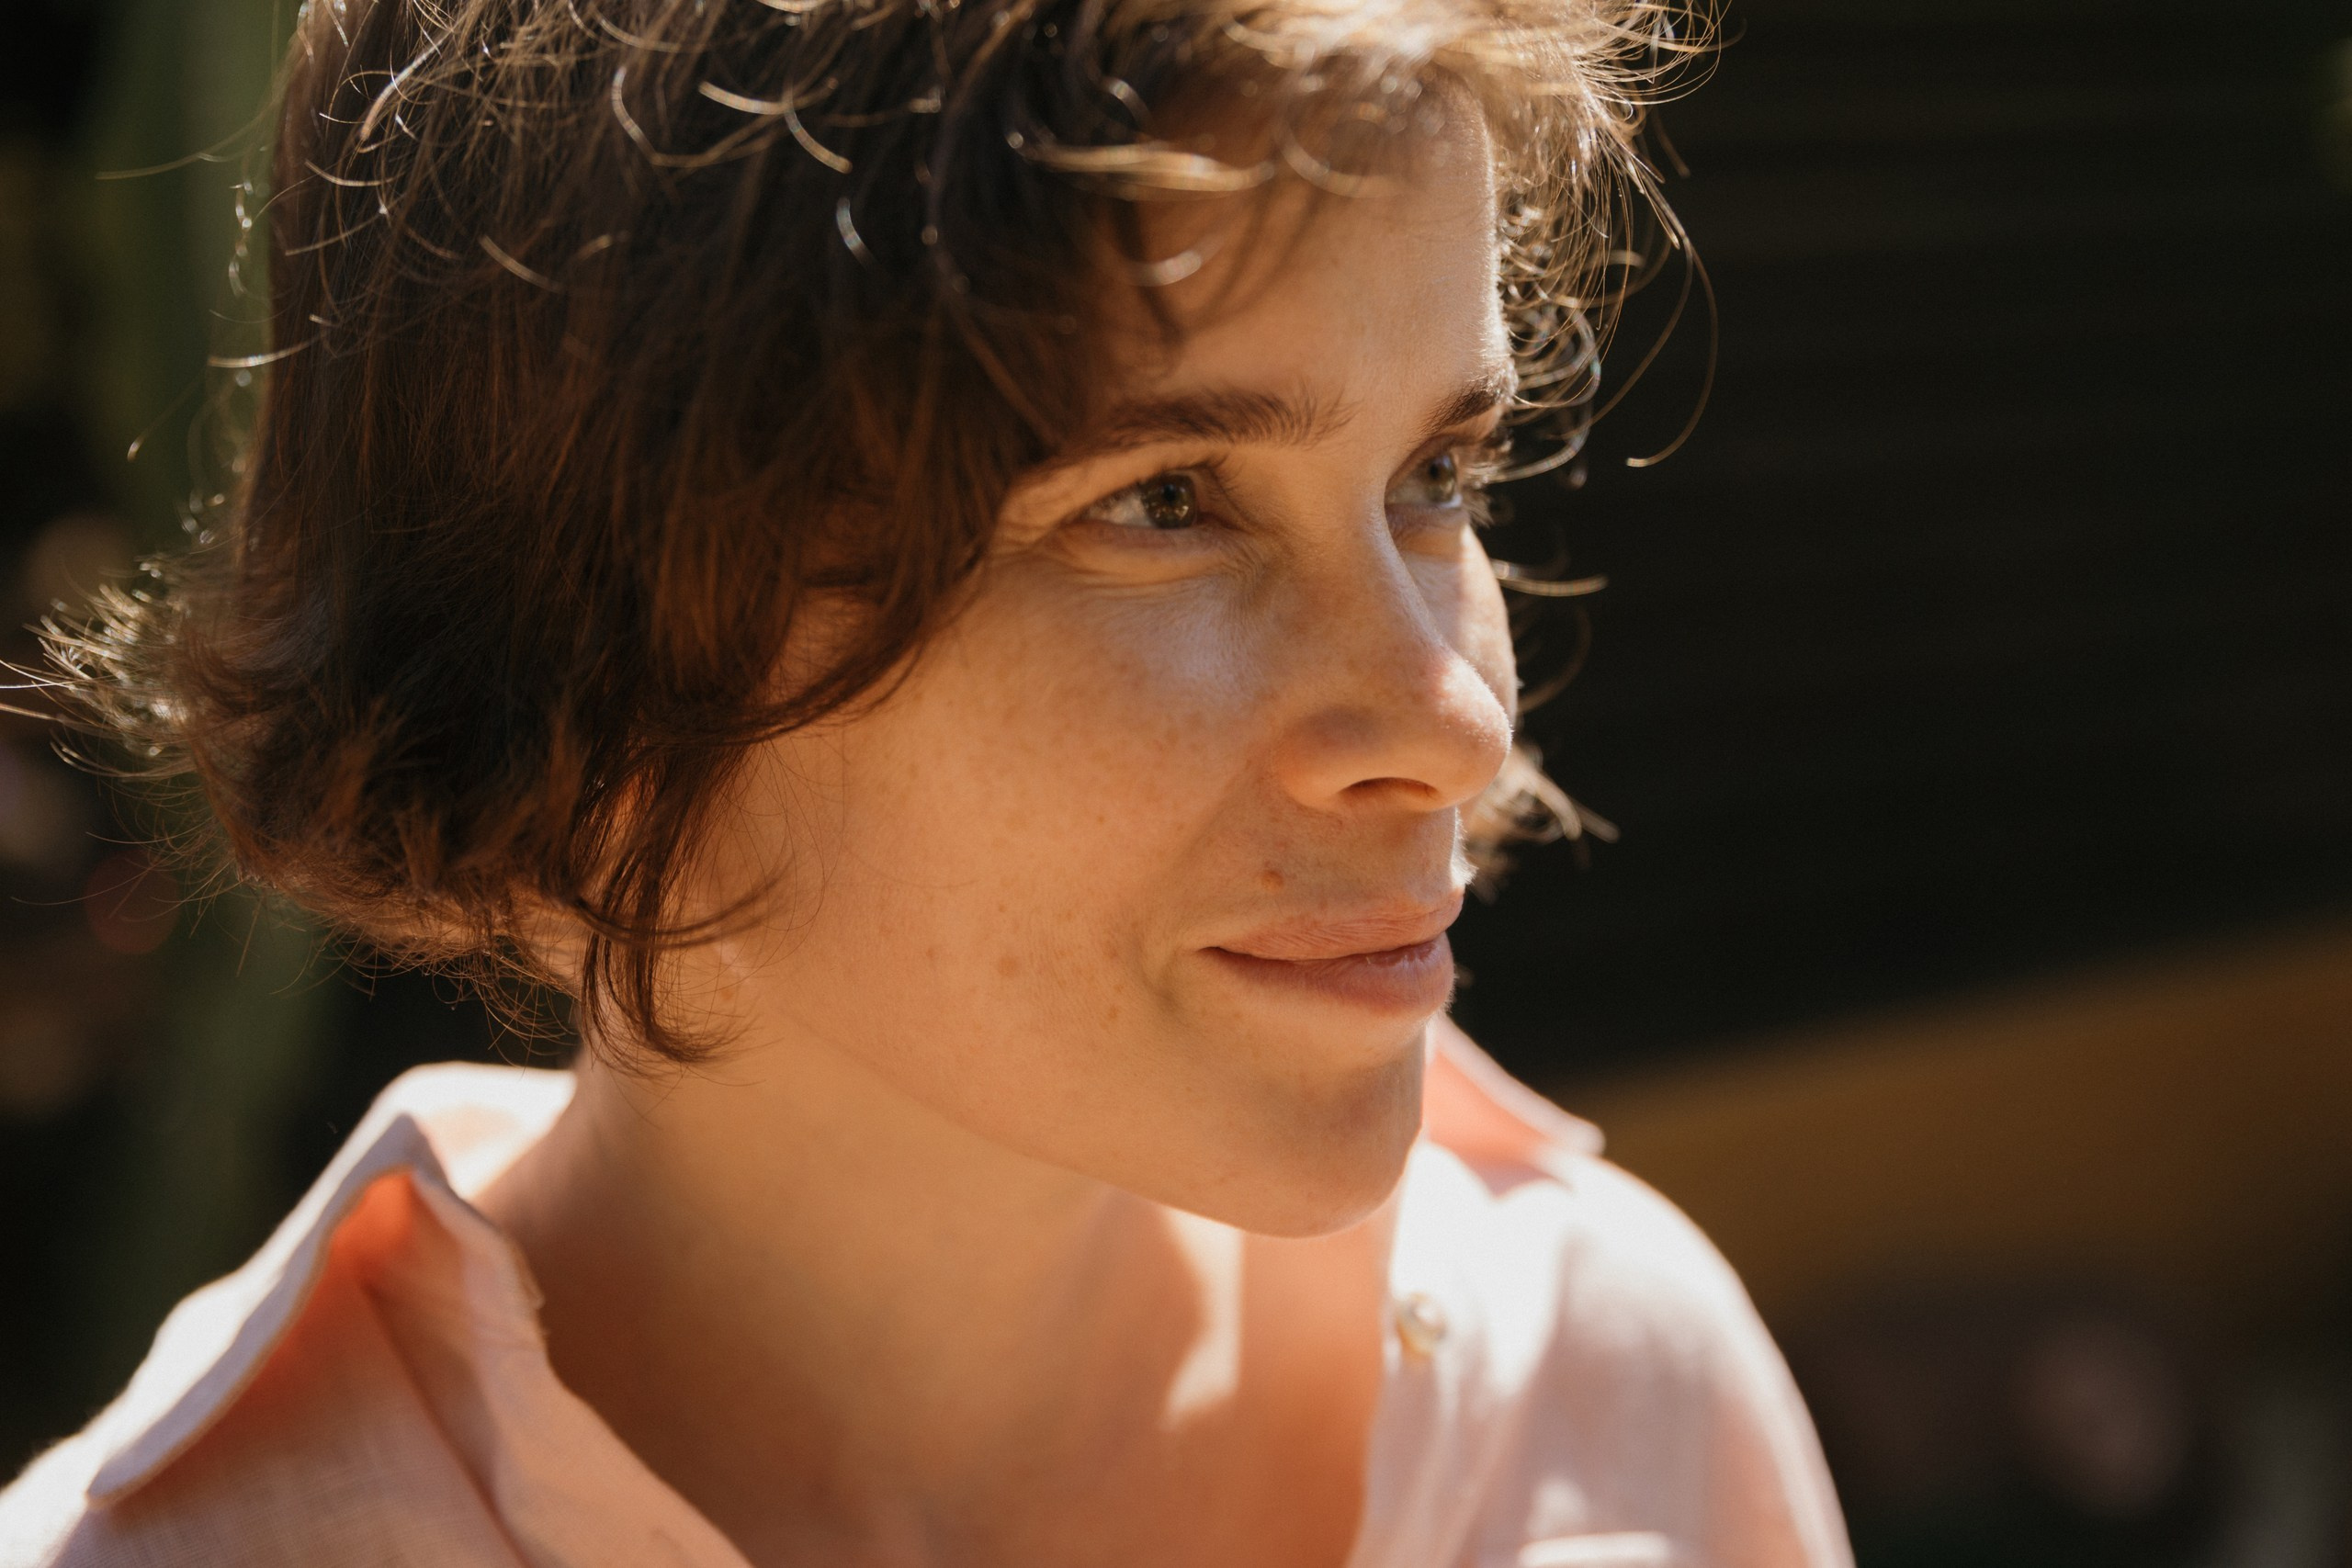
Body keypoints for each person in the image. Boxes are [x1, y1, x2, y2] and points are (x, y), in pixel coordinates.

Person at [2, 0, 1853, 1562]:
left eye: (1435, 473)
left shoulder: (1615, 1390)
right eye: (1164, 500)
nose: (1449, 717)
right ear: (591, 657)